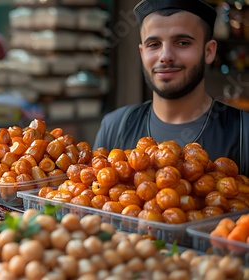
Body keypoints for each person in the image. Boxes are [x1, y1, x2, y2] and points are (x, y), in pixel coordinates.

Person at [93, 0, 249, 176]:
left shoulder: (244, 132)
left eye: (182, 43)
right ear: (142, 53)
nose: (165, 56)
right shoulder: (114, 127)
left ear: (209, 51)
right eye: (154, 44)